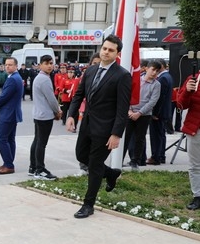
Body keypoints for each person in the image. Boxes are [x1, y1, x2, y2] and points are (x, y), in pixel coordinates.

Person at [66, 35, 131, 219]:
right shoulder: (90, 70)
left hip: (105, 130)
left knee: (94, 166)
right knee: (81, 155)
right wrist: (71, 115)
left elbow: (122, 108)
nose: (106, 52)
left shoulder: (122, 75)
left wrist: (116, 134)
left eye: (111, 50)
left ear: (117, 53)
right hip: (87, 125)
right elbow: (78, 95)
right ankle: (110, 173)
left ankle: (88, 205)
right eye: (104, 48)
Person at [29, 55, 62, 180]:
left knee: (37, 141)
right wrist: (57, 111)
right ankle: (40, 169)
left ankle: (33, 167)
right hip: (44, 116)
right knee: (41, 143)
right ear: (40, 65)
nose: (49, 66)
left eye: (51, 63)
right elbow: (52, 99)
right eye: (46, 63)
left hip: (39, 114)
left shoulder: (40, 77)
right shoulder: (44, 79)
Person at [123, 60, 161, 170]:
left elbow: (152, 101)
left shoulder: (156, 84)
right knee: (126, 137)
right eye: (153, 69)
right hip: (130, 112)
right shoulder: (136, 79)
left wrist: (139, 113)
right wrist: (129, 110)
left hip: (144, 115)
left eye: (157, 71)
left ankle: (135, 161)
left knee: (140, 138)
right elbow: (127, 94)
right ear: (146, 68)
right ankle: (119, 159)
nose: (154, 73)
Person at [0, 57, 24, 174]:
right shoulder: (15, 77)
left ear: (16, 66)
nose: (7, 67)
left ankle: (9, 165)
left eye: (10, 65)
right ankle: (8, 163)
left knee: (1, 139)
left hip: (8, 114)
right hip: (12, 113)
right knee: (10, 139)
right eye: (6, 64)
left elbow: (4, 96)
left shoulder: (13, 79)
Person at [176, 68, 200, 210]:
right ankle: (197, 196)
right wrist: (187, 91)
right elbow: (181, 104)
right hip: (195, 128)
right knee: (195, 165)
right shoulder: (194, 78)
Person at [148, 59, 173, 165]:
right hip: (164, 111)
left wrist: (155, 113)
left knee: (156, 136)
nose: (155, 71)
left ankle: (156, 157)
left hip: (159, 113)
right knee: (161, 134)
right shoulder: (168, 76)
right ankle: (161, 156)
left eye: (157, 68)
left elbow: (159, 98)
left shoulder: (162, 78)